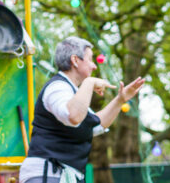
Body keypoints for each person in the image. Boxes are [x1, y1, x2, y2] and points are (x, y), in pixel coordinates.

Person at [19, 37, 145, 183]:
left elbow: (96, 125)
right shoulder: (57, 87)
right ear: (75, 60)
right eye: (90, 59)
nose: (94, 66)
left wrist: (120, 100)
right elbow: (74, 116)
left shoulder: (74, 94)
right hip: (46, 175)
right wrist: (90, 82)